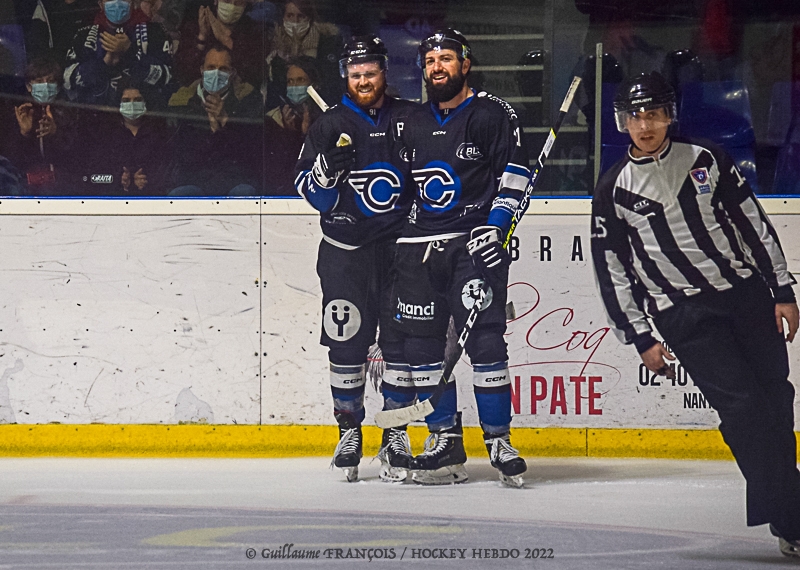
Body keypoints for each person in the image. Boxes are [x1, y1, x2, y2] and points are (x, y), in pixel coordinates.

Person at [590, 71, 800, 559]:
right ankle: (793, 519)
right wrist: (639, 336)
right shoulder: (612, 189)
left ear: (670, 116)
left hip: (745, 296)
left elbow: (753, 224)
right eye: (636, 116)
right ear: (623, 122)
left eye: (655, 114)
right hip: (684, 314)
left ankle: (788, 516)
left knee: (774, 400)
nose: (646, 125)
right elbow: (612, 271)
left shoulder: (706, 158)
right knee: (745, 407)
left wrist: (782, 290)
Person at [388, 29, 529, 487]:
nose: (437, 68)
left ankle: (499, 439)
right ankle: (444, 439)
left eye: (446, 59)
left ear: (465, 64)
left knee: (486, 342)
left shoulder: (491, 114)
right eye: (430, 61)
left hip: (474, 245)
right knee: (423, 348)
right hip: (417, 250)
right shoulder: (408, 120)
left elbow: (515, 173)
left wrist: (499, 222)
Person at [294, 35, 418, 482]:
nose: (363, 80)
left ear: (384, 73)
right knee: (345, 344)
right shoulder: (328, 126)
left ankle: (395, 432)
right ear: (345, 77)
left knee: (400, 344)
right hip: (345, 255)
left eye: (370, 73)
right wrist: (328, 169)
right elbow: (313, 195)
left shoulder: (410, 117)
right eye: (355, 74)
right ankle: (349, 431)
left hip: (400, 254)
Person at [168, 44, 262, 195]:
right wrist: (212, 129)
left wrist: (225, 121)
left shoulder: (248, 100)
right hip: (195, 179)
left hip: (234, 179)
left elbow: (249, 153)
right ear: (202, 70)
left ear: (232, 73)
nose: (216, 73)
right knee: (180, 194)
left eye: (223, 69)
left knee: (244, 192)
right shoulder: (182, 102)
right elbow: (183, 155)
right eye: (211, 67)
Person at [63, 0, 173, 106]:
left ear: (132, 3)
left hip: (144, 113)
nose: (117, 3)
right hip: (97, 115)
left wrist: (130, 52)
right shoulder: (84, 34)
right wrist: (104, 63)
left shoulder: (155, 31)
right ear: (101, 4)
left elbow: (167, 78)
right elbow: (69, 80)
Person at [2, 57, 80, 195]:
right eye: (39, 81)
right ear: (29, 87)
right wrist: (23, 133)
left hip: (62, 187)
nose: (45, 86)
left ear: (58, 85)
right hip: (25, 187)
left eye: (50, 81)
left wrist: (56, 134)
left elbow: (77, 158)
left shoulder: (71, 112)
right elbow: (11, 160)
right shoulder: (19, 113)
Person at [83, 79, 174, 195]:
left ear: (145, 103)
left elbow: (169, 171)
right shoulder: (106, 134)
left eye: (137, 100)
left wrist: (147, 180)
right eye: (126, 100)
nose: (131, 104)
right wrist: (118, 179)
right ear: (118, 104)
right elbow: (92, 177)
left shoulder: (159, 133)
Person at [173, 0, 267, 89]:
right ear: (216, 1)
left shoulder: (254, 31)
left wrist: (226, 40)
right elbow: (182, 74)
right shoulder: (195, 26)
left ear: (245, 4)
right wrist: (202, 38)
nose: (232, 6)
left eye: (238, 2)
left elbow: (255, 76)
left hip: (236, 100)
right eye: (227, 1)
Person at [267, 0, 342, 107]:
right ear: (283, 17)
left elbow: (331, 84)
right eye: (290, 15)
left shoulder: (327, 42)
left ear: (310, 18)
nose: (295, 21)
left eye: (301, 16)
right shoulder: (273, 45)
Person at [266, 55, 321, 135]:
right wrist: (289, 130)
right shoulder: (274, 118)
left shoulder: (326, 115)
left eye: (301, 80)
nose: (294, 86)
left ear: (315, 84)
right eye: (290, 81)